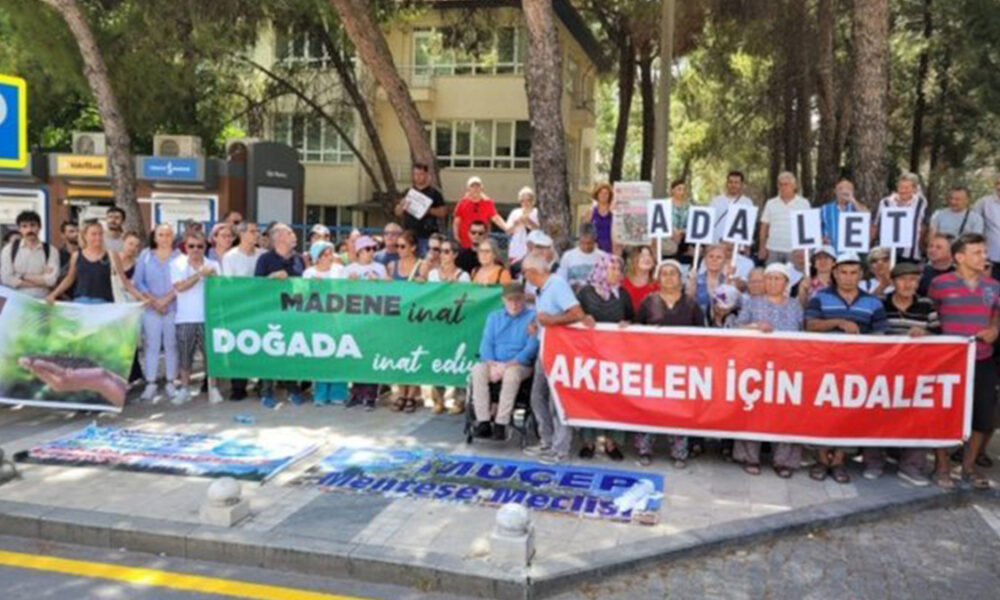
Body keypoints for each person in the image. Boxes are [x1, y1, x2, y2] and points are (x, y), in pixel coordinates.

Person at [805, 252, 888, 483]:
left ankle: (839, 460)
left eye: (853, 273)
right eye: (844, 272)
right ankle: (822, 459)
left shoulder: (873, 302)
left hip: (857, 368)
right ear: (835, 273)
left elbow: (881, 335)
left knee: (848, 413)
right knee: (822, 412)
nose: (848, 277)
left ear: (861, 275)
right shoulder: (820, 297)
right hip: (824, 364)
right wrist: (838, 322)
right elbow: (809, 325)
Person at [928, 233, 999, 489]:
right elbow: (932, 316)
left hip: (982, 359)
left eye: (984, 252)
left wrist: (995, 329)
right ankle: (942, 466)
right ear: (959, 257)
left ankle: (968, 468)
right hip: (948, 361)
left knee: (983, 416)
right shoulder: (939, 284)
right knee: (943, 413)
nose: (984, 257)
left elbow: (996, 314)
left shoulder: (993, 286)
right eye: (977, 252)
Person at [733, 263, 804, 477]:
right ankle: (750, 457)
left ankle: (784, 461)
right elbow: (736, 327)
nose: (773, 283)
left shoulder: (796, 306)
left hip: (787, 367)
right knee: (753, 410)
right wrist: (755, 327)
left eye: (777, 278)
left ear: (786, 283)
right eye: (769, 278)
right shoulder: (752, 303)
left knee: (786, 413)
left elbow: (803, 333)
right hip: (756, 366)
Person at [635, 260, 705, 467]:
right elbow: (636, 332)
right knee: (649, 407)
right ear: (658, 278)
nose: (668, 277)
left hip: (681, 368)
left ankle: (679, 452)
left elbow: (703, 336)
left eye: (673, 273)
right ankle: (645, 449)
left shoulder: (691, 305)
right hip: (653, 366)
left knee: (679, 409)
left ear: (680, 278)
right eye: (664, 273)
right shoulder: (648, 302)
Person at [878, 262, 940, 486]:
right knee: (876, 415)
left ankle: (911, 466)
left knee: (918, 417)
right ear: (893, 282)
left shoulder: (926, 305)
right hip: (883, 372)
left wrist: (925, 333)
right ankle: (874, 462)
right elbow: (872, 334)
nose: (908, 284)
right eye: (903, 279)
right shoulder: (880, 304)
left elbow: (941, 336)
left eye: (913, 280)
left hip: (917, 373)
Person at [522, 252, 585, 465]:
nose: (524, 277)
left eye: (525, 273)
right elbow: (545, 317)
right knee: (537, 396)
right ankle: (547, 441)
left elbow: (577, 314)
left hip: (560, 352)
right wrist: (537, 324)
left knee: (557, 400)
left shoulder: (557, 285)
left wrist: (552, 321)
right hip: (545, 347)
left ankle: (560, 449)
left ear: (533, 272)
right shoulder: (541, 289)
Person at [576, 255, 633, 461]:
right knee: (589, 396)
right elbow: (575, 315)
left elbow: (631, 317)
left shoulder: (623, 294)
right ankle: (588, 441)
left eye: (619, 269)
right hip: (589, 354)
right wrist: (583, 318)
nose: (616, 273)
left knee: (615, 398)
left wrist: (628, 324)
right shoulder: (585, 292)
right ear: (601, 269)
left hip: (616, 356)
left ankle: (611, 442)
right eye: (612, 268)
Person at [471, 283, 538, 441]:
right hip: (495, 363)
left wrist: (507, 366)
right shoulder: (494, 317)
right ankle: (483, 421)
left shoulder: (532, 317)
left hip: (519, 364)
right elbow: (486, 343)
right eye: (510, 300)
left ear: (524, 299)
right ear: (503, 300)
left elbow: (532, 347)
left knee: (511, 374)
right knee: (477, 369)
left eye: (518, 300)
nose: (514, 304)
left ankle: (501, 423)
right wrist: (492, 364)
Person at [254, 223, 306, 408]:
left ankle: (292, 388)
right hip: (270, 313)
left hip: (292, 313)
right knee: (269, 351)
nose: (294, 235)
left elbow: (305, 284)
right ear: (279, 237)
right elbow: (255, 286)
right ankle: (266, 391)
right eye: (290, 233)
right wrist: (272, 277)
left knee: (291, 350)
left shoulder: (298, 259)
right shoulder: (265, 259)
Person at [169, 231, 221, 405]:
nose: (195, 249)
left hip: (209, 318)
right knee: (185, 357)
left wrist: (212, 276)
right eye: (191, 246)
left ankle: (213, 388)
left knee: (210, 357)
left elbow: (219, 289)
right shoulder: (176, 264)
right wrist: (199, 274)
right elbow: (180, 287)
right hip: (185, 318)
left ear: (205, 247)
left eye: (200, 246)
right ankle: (184, 389)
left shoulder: (214, 264)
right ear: (185, 247)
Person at [134, 223, 180, 403]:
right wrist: (154, 301)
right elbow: (139, 282)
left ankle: (171, 381)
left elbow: (181, 283)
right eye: (161, 234)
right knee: (151, 345)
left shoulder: (179, 257)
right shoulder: (145, 255)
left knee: (171, 344)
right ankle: (151, 383)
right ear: (155, 237)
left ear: (172, 237)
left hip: (172, 307)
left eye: (168, 235)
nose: (164, 238)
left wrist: (165, 300)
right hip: (150, 308)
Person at [426, 237, 470, 415]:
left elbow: (467, 300)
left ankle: (459, 399)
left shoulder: (463, 276)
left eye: (446, 251)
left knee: (458, 358)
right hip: (437, 322)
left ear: (454, 255)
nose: (442, 255)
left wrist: (454, 288)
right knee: (436, 358)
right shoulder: (432, 275)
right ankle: (438, 399)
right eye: (440, 251)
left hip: (456, 322)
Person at [303, 240, 347, 405]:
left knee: (339, 353)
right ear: (317, 257)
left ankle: (338, 393)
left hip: (337, 318)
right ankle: (320, 393)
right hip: (317, 320)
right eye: (325, 254)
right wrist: (313, 287)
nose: (330, 257)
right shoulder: (309, 273)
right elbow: (304, 296)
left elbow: (346, 291)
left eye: (331, 253)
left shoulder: (340, 270)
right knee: (320, 354)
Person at [388, 231, 426, 412]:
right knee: (399, 354)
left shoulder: (422, 266)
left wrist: (422, 282)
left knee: (413, 355)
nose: (399, 249)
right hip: (397, 318)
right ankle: (401, 392)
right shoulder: (392, 266)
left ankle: (412, 395)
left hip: (415, 317)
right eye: (397, 246)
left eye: (403, 246)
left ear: (413, 247)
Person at [46, 221, 115, 304]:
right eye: (94, 234)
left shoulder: (111, 255)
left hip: (104, 303)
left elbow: (122, 279)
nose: (98, 237)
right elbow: (69, 278)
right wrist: (54, 294)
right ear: (85, 236)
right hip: (81, 301)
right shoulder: (76, 256)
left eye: (100, 234)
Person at [1, 210, 59, 299]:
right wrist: (41, 281)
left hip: (42, 300)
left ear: (39, 227)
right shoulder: (9, 250)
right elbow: (6, 278)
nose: (29, 230)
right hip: (16, 300)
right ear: (19, 229)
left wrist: (21, 275)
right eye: (24, 226)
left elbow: (51, 280)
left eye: (33, 225)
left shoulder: (51, 250)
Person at [873, 172, 928, 263]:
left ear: (914, 189)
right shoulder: (886, 202)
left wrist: (922, 246)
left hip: (911, 253)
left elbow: (924, 225)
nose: (903, 191)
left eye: (906, 188)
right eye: (900, 187)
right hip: (887, 252)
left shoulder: (921, 202)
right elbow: (876, 225)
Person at [759, 172, 810, 264]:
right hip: (773, 248)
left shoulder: (804, 203)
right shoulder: (770, 203)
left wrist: (804, 249)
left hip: (794, 249)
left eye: (786, 184)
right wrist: (762, 247)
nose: (783, 187)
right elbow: (764, 227)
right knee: (771, 273)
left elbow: (808, 228)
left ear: (794, 186)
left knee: (794, 273)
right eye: (780, 184)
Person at [395, 163, 448, 253]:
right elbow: (397, 212)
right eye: (415, 174)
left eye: (421, 174)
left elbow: (444, 212)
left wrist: (429, 211)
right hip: (409, 236)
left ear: (427, 175)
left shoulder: (434, 193)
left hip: (427, 236)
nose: (418, 177)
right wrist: (401, 207)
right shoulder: (408, 192)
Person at [454, 176, 505, 249]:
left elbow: (496, 218)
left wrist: (507, 228)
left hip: (481, 243)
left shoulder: (488, 203)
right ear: (468, 189)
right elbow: (456, 222)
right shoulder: (462, 202)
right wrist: (456, 236)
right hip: (465, 243)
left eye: (477, 186)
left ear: (481, 188)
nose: (475, 189)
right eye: (472, 186)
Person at [820, 178, 866, 253]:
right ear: (835, 191)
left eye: (848, 188)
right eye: (840, 189)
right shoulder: (825, 209)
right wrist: (822, 238)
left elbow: (866, 218)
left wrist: (853, 200)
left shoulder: (856, 207)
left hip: (852, 253)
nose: (844, 191)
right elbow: (816, 229)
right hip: (831, 251)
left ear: (853, 192)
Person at [557, 222, 607, 290]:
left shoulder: (603, 257)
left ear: (594, 240)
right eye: (582, 243)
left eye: (589, 243)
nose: (586, 247)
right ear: (579, 239)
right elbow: (561, 280)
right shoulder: (568, 256)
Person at [710, 171, 754, 244]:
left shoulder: (747, 202)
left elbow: (749, 226)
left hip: (737, 244)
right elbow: (710, 223)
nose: (733, 185)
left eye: (736, 182)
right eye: (730, 182)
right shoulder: (716, 201)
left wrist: (747, 245)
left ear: (741, 184)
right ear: (726, 184)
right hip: (716, 242)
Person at [973, 174, 1000, 280]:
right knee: (989, 287)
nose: (999, 187)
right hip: (990, 258)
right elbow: (974, 226)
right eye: (997, 183)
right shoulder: (984, 203)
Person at [505, 187, 539, 264]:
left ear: (533, 201)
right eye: (522, 201)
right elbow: (508, 231)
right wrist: (516, 223)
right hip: (516, 251)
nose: (525, 203)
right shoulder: (515, 212)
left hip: (533, 252)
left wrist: (529, 221)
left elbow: (541, 231)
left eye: (528, 200)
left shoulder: (537, 213)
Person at [622, 245, 658, 312]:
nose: (647, 258)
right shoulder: (622, 284)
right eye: (642, 255)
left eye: (649, 255)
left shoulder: (658, 285)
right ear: (633, 260)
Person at [665, 179, 691, 261]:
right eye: (679, 189)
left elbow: (691, 224)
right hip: (668, 236)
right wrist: (672, 231)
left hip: (683, 236)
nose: (682, 192)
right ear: (672, 190)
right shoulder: (665, 204)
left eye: (683, 189)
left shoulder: (688, 206)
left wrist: (681, 232)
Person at [589, 183, 614, 253]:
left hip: (611, 249)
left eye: (606, 193)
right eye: (601, 193)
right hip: (595, 249)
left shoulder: (614, 212)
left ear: (609, 196)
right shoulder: (591, 212)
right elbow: (586, 230)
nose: (603, 195)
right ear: (597, 195)